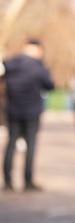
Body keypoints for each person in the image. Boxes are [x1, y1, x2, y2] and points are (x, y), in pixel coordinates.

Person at [2, 39, 55, 192]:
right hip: (32, 111)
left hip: (13, 110)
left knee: (11, 144)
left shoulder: (9, 64)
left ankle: (8, 181)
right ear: (37, 50)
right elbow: (50, 85)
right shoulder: (38, 67)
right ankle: (28, 181)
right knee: (30, 145)